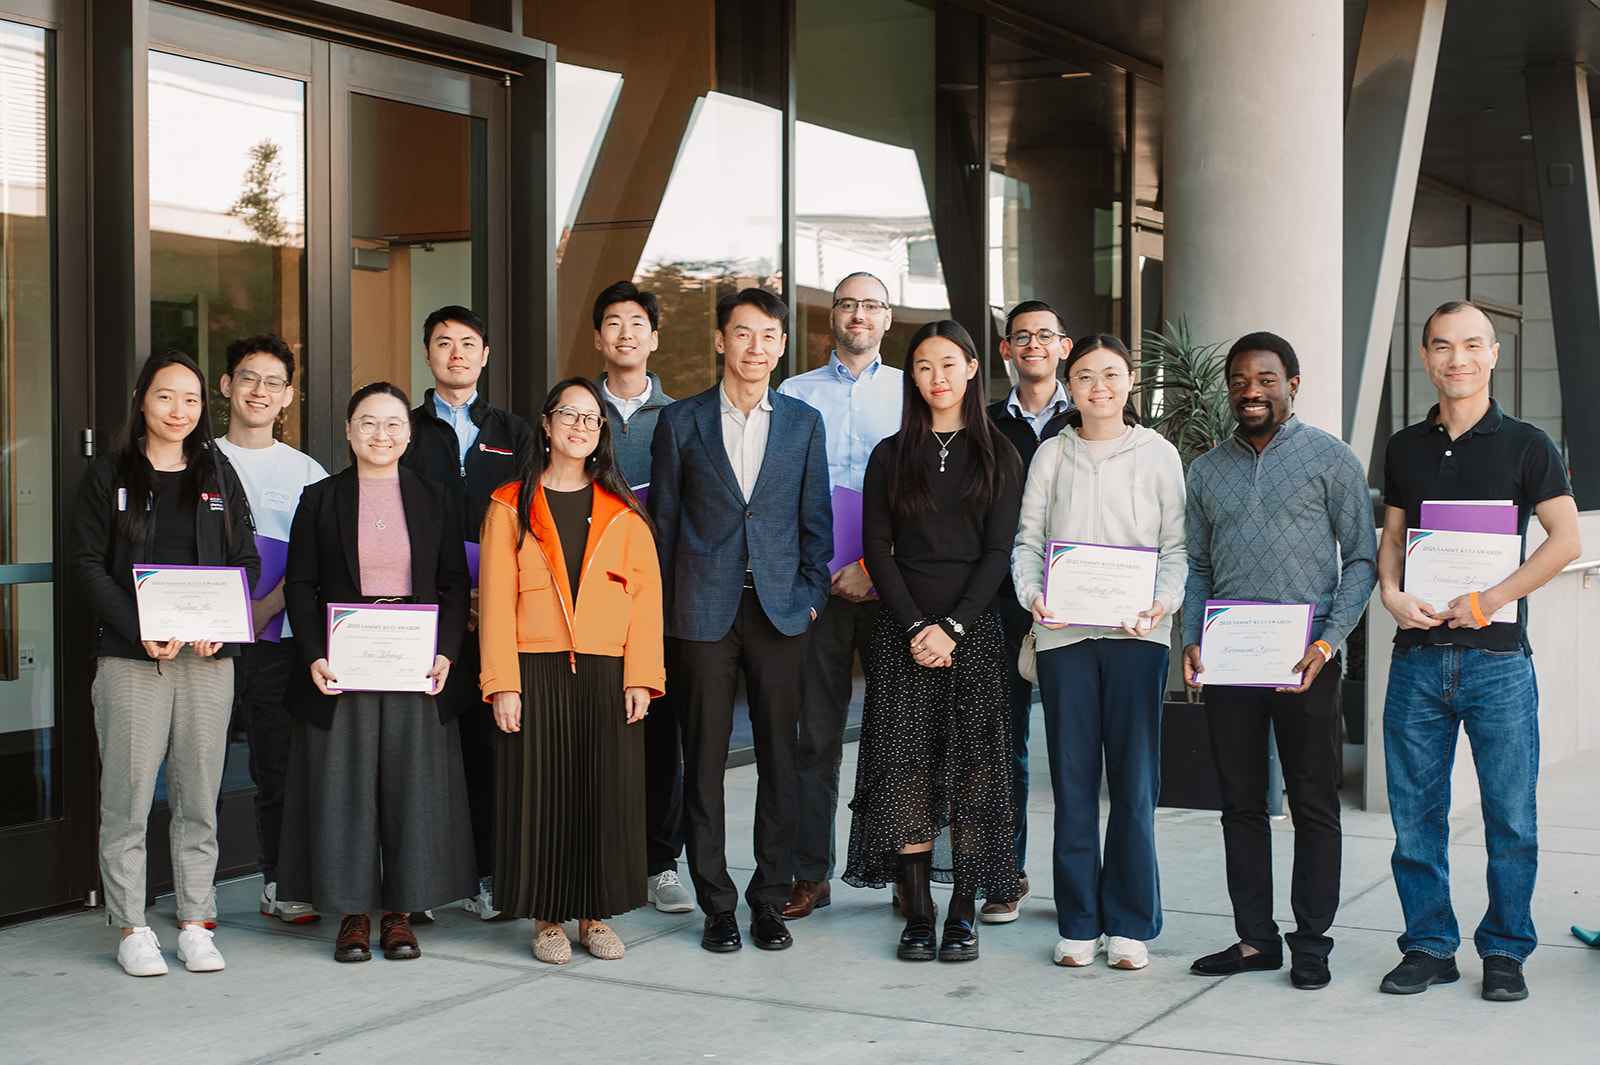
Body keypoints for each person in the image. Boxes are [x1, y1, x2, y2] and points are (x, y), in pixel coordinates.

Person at [1376, 300, 1580, 1002]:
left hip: (1498, 662)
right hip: (1417, 657)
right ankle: (1429, 945)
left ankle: (1504, 950)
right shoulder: (1404, 447)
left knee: (1510, 818)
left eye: (1471, 345)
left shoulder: (1528, 445)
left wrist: (1489, 599)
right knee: (1415, 819)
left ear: (1493, 353)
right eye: (1441, 345)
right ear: (1426, 357)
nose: (1456, 358)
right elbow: (1395, 540)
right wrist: (1390, 592)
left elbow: (1566, 540)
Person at [1182, 331, 1377, 991]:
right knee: (1240, 803)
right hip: (1231, 663)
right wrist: (1192, 636)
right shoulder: (1207, 469)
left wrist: (1327, 643)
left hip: (1307, 664)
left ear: (1294, 384)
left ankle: (1312, 942)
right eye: (1239, 379)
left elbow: (1360, 559)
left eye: (1265, 378)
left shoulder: (1333, 459)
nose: (1251, 390)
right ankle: (1255, 939)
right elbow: (1198, 565)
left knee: (1314, 803)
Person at [648, 287, 832, 954]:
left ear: (782, 346)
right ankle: (717, 903)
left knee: (781, 761)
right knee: (702, 760)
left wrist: (811, 598)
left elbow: (818, 526)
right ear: (721, 340)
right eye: (743, 334)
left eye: (768, 336)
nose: (756, 347)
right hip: (700, 612)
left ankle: (767, 899)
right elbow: (664, 529)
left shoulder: (804, 422)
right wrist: (664, 614)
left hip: (781, 610)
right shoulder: (682, 422)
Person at [66, 349, 259, 977]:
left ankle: (197, 922)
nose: (179, 410)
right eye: (166, 396)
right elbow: (86, 567)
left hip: (207, 662)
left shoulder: (217, 470)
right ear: (142, 401)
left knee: (199, 798)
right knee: (126, 799)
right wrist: (139, 626)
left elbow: (247, 561)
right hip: (131, 660)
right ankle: (131, 925)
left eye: (192, 399)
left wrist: (223, 624)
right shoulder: (109, 475)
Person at [844, 319, 1023, 963]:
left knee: (973, 775)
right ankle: (918, 913)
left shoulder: (1000, 452)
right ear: (911, 376)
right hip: (902, 632)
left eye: (948, 364)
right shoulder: (891, 454)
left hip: (971, 634)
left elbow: (999, 550)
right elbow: (876, 549)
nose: (936, 377)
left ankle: (962, 913)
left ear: (973, 368)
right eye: (922, 366)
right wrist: (918, 625)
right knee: (906, 773)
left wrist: (953, 626)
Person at [279, 381, 475, 963]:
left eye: (392, 424)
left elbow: (454, 582)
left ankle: (400, 915)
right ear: (347, 430)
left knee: (411, 792)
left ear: (409, 434)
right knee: (344, 795)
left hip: (416, 667)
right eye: (367, 423)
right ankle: (353, 917)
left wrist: (446, 652)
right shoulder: (321, 497)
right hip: (345, 668)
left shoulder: (434, 496)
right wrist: (315, 653)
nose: (380, 435)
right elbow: (300, 584)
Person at [1011, 334, 1186, 970]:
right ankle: (1080, 921)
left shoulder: (1159, 455)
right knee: (1073, 782)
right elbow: (1028, 542)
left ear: (1130, 381)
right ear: (1070, 382)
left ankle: (1131, 924)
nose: (1098, 386)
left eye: (1111, 374)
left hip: (1139, 636)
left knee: (1135, 784)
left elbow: (1177, 549)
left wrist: (1161, 604)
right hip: (1064, 636)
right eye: (1085, 375)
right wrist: (1032, 593)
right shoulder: (1051, 455)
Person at [478, 377, 665, 963]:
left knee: (602, 794)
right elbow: (495, 601)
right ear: (547, 423)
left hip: (608, 671)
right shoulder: (509, 504)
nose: (581, 426)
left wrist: (642, 675)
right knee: (541, 796)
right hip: (535, 667)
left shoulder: (624, 511)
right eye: (570, 415)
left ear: (601, 432)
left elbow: (646, 599)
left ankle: (595, 915)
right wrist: (502, 683)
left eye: (592, 418)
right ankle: (547, 919)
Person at [775, 271, 904, 921]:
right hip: (817, 590)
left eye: (871, 304)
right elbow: (777, 492)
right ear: (831, 317)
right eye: (847, 303)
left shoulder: (913, 393)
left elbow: (925, 498)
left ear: (888, 317)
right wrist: (818, 569)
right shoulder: (793, 395)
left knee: (900, 734)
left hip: (895, 591)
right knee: (813, 735)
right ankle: (809, 872)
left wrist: (875, 571)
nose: (858, 314)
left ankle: (902, 869)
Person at [402, 304, 535, 920]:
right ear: (426, 354)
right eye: (443, 343)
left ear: (485, 355)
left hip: (498, 615)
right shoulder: (400, 428)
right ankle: (418, 883)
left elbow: (535, 522)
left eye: (469, 343)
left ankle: (485, 873)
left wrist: (495, 599)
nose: (456, 353)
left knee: (488, 750)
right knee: (420, 746)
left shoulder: (515, 430)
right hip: (417, 614)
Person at [214, 334, 328, 925]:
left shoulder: (306, 470)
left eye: (273, 382)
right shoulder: (198, 458)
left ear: (288, 396)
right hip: (200, 644)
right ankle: (193, 890)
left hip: (276, 643)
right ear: (227, 386)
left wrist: (262, 609)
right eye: (248, 378)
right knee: (197, 766)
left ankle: (278, 881)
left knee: (275, 766)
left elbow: (316, 557)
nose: (260, 391)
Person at [590, 280, 689, 914]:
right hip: (589, 603)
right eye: (613, 324)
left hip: (663, 602)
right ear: (598, 338)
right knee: (594, 731)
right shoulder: (574, 411)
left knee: (659, 733)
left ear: (654, 338)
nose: (625, 334)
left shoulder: (682, 416)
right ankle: (599, 857)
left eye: (637, 324)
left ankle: (660, 863)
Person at [981, 299, 1075, 923]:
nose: (1034, 344)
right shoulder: (984, 424)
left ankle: (1075, 888)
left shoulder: (1097, 416)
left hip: (1080, 608)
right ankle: (1004, 875)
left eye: (1046, 335)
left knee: (1073, 751)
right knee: (1000, 748)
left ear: (1064, 347)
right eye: (1022, 336)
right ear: (1007, 350)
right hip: (1001, 604)